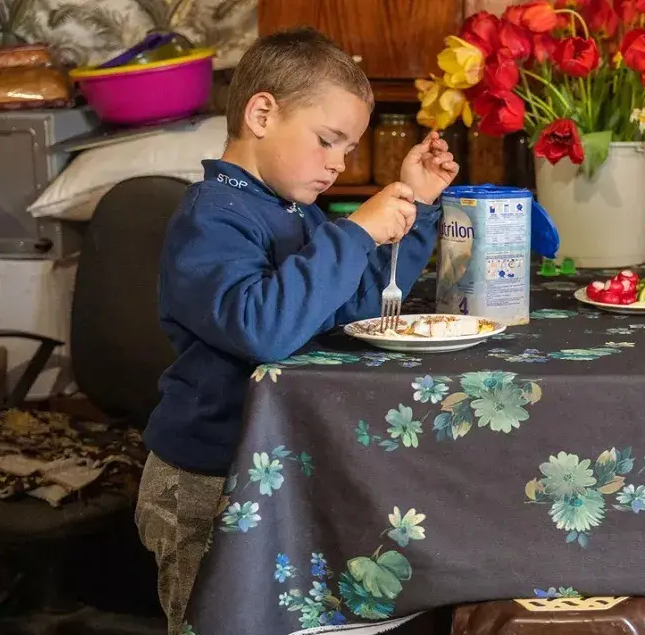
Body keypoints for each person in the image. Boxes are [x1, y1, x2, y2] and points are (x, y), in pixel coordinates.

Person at [133, 28, 459, 633]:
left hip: (275, 466)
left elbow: (358, 305)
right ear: (262, 112)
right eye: (328, 140)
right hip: (208, 480)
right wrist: (356, 232)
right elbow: (262, 327)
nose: (340, 163)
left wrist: (414, 206)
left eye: (349, 146)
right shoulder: (213, 216)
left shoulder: (295, 213)